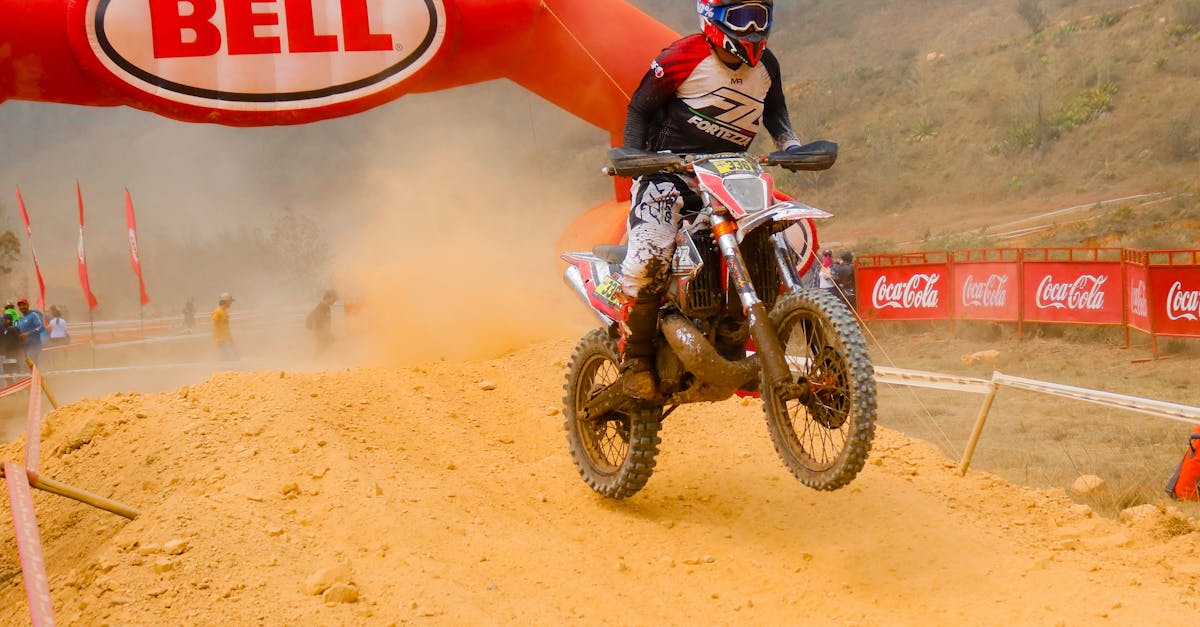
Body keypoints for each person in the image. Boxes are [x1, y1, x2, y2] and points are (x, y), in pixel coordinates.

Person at [618, 0, 814, 397]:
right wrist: (634, 158)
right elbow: (639, 108)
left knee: (778, 238)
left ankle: (749, 338)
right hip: (667, 173)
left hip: (731, 174)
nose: (754, 28)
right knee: (650, 255)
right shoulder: (681, 57)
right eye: (743, 18)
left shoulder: (767, 65)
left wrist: (790, 145)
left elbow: (775, 111)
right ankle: (635, 359)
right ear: (712, 17)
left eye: (760, 16)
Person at [306, 289, 338, 354]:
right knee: (321, 352)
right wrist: (325, 334)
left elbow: (323, 322)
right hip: (321, 335)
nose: (334, 301)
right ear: (329, 297)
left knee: (322, 351)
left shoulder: (323, 306)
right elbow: (320, 322)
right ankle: (317, 360)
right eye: (334, 299)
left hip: (321, 334)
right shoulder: (323, 307)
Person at [15, 298, 45, 367]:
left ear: (28, 305)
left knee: (33, 364)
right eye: (20, 306)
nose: (22, 307)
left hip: (34, 345)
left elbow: (41, 327)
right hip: (25, 346)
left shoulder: (33, 315)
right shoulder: (21, 318)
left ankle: (37, 373)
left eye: (23, 305)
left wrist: (28, 333)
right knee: (26, 366)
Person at [211, 292, 239, 361]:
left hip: (227, 339)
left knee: (235, 356)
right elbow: (213, 324)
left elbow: (225, 327)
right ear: (225, 301)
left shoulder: (225, 311)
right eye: (230, 301)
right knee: (225, 358)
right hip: (221, 340)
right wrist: (217, 338)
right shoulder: (218, 311)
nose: (231, 303)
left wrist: (230, 339)